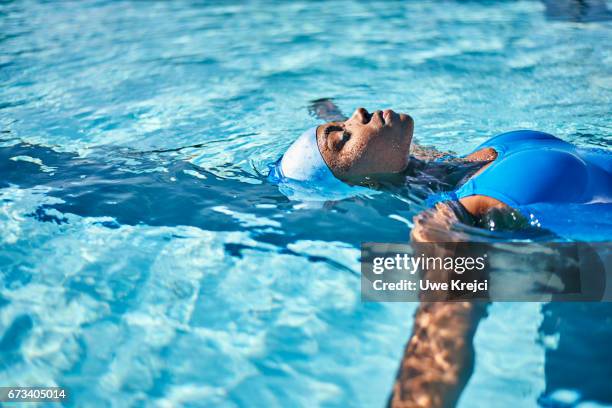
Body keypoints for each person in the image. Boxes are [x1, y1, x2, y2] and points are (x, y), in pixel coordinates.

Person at [269, 101, 612, 407]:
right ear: (360, 186)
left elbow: (362, 145)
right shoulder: (448, 221)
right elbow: (442, 328)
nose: (358, 116)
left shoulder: (434, 167)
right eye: (342, 137)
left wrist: (326, 110)